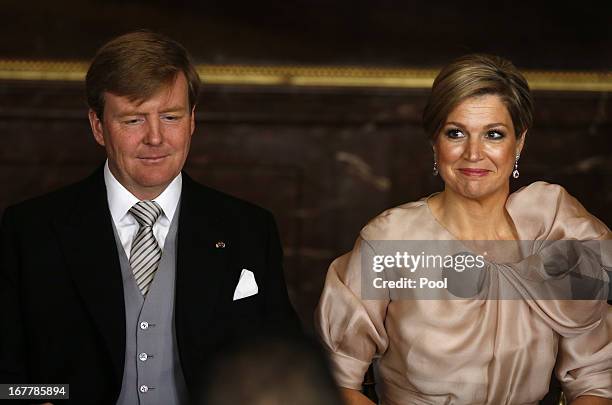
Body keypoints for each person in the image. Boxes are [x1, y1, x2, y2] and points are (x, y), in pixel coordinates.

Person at [0, 31, 300, 404]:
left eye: (170, 116)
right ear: (98, 126)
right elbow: (8, 382)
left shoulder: (249, 229)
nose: (156, 138)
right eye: (133, 120)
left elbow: (285, 368)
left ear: (192, 120)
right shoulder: (28, 231)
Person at [315, 54, 611, 405]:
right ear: (434, 142)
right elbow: (337, 381)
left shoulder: (557, 229)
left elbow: (594, 378)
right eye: (456, 133)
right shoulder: (390, 241)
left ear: (519, 143)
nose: (473, 153)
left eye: (493, 135)